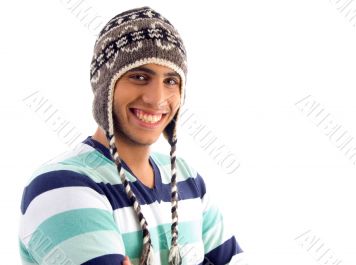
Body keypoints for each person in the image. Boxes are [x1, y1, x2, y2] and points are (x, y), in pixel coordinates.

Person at [18, 6, 246, 265]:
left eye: (171, 81)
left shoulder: (187, 178)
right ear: (105, 87)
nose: (157, 98)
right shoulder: (60, 185)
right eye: (139, 77)